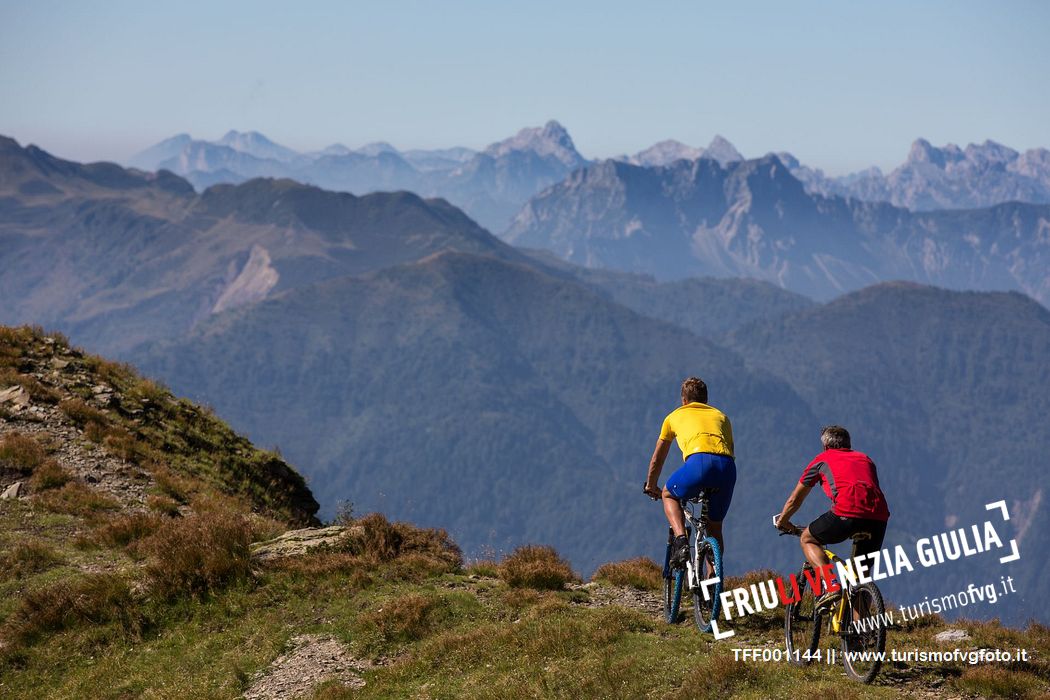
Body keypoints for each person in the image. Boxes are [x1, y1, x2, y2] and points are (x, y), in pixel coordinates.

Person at [775, 425, 890, 608]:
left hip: (846, 512)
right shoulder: (865, 459)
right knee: (860, 578)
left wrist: (783, 521)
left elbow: (794, 500)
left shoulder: (822, 460)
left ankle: (831, 586)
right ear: (848, 444)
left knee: (808, 539)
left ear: (825, 447)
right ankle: (859, 635)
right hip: (878, 518)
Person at [644, 376, 736, 568]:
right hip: (727, 467)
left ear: (684, 401)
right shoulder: (721, 416)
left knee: (668, 494)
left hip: (699, 463)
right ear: (706, 400)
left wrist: (651, 485)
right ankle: (713, 586)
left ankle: (680, 540)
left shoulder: (673, 417)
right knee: (715, 528)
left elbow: (657, 459)